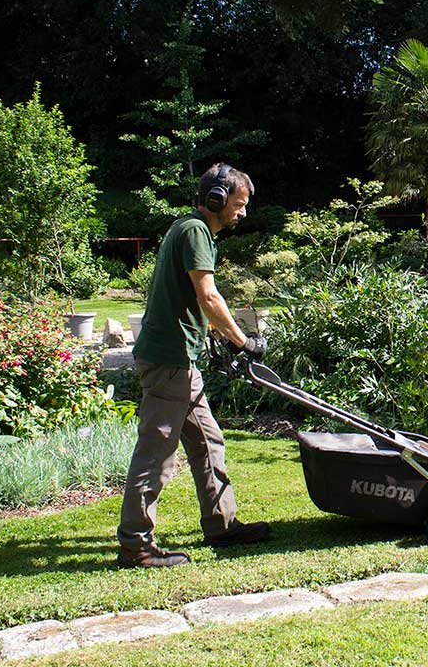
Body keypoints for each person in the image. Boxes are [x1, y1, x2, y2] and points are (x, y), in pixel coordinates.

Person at [117, 163, 270, 569]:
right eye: (237, 204)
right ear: (216, 199)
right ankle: (136, 542)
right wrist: (244, 341)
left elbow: (192, 304)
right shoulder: (196, 231)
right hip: (170, 362)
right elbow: (208, 297)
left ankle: (222, 524)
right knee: (156, 452)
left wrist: (216, 337)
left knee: (207, 441)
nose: (241, 212)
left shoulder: (190, 230)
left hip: (181, 359)